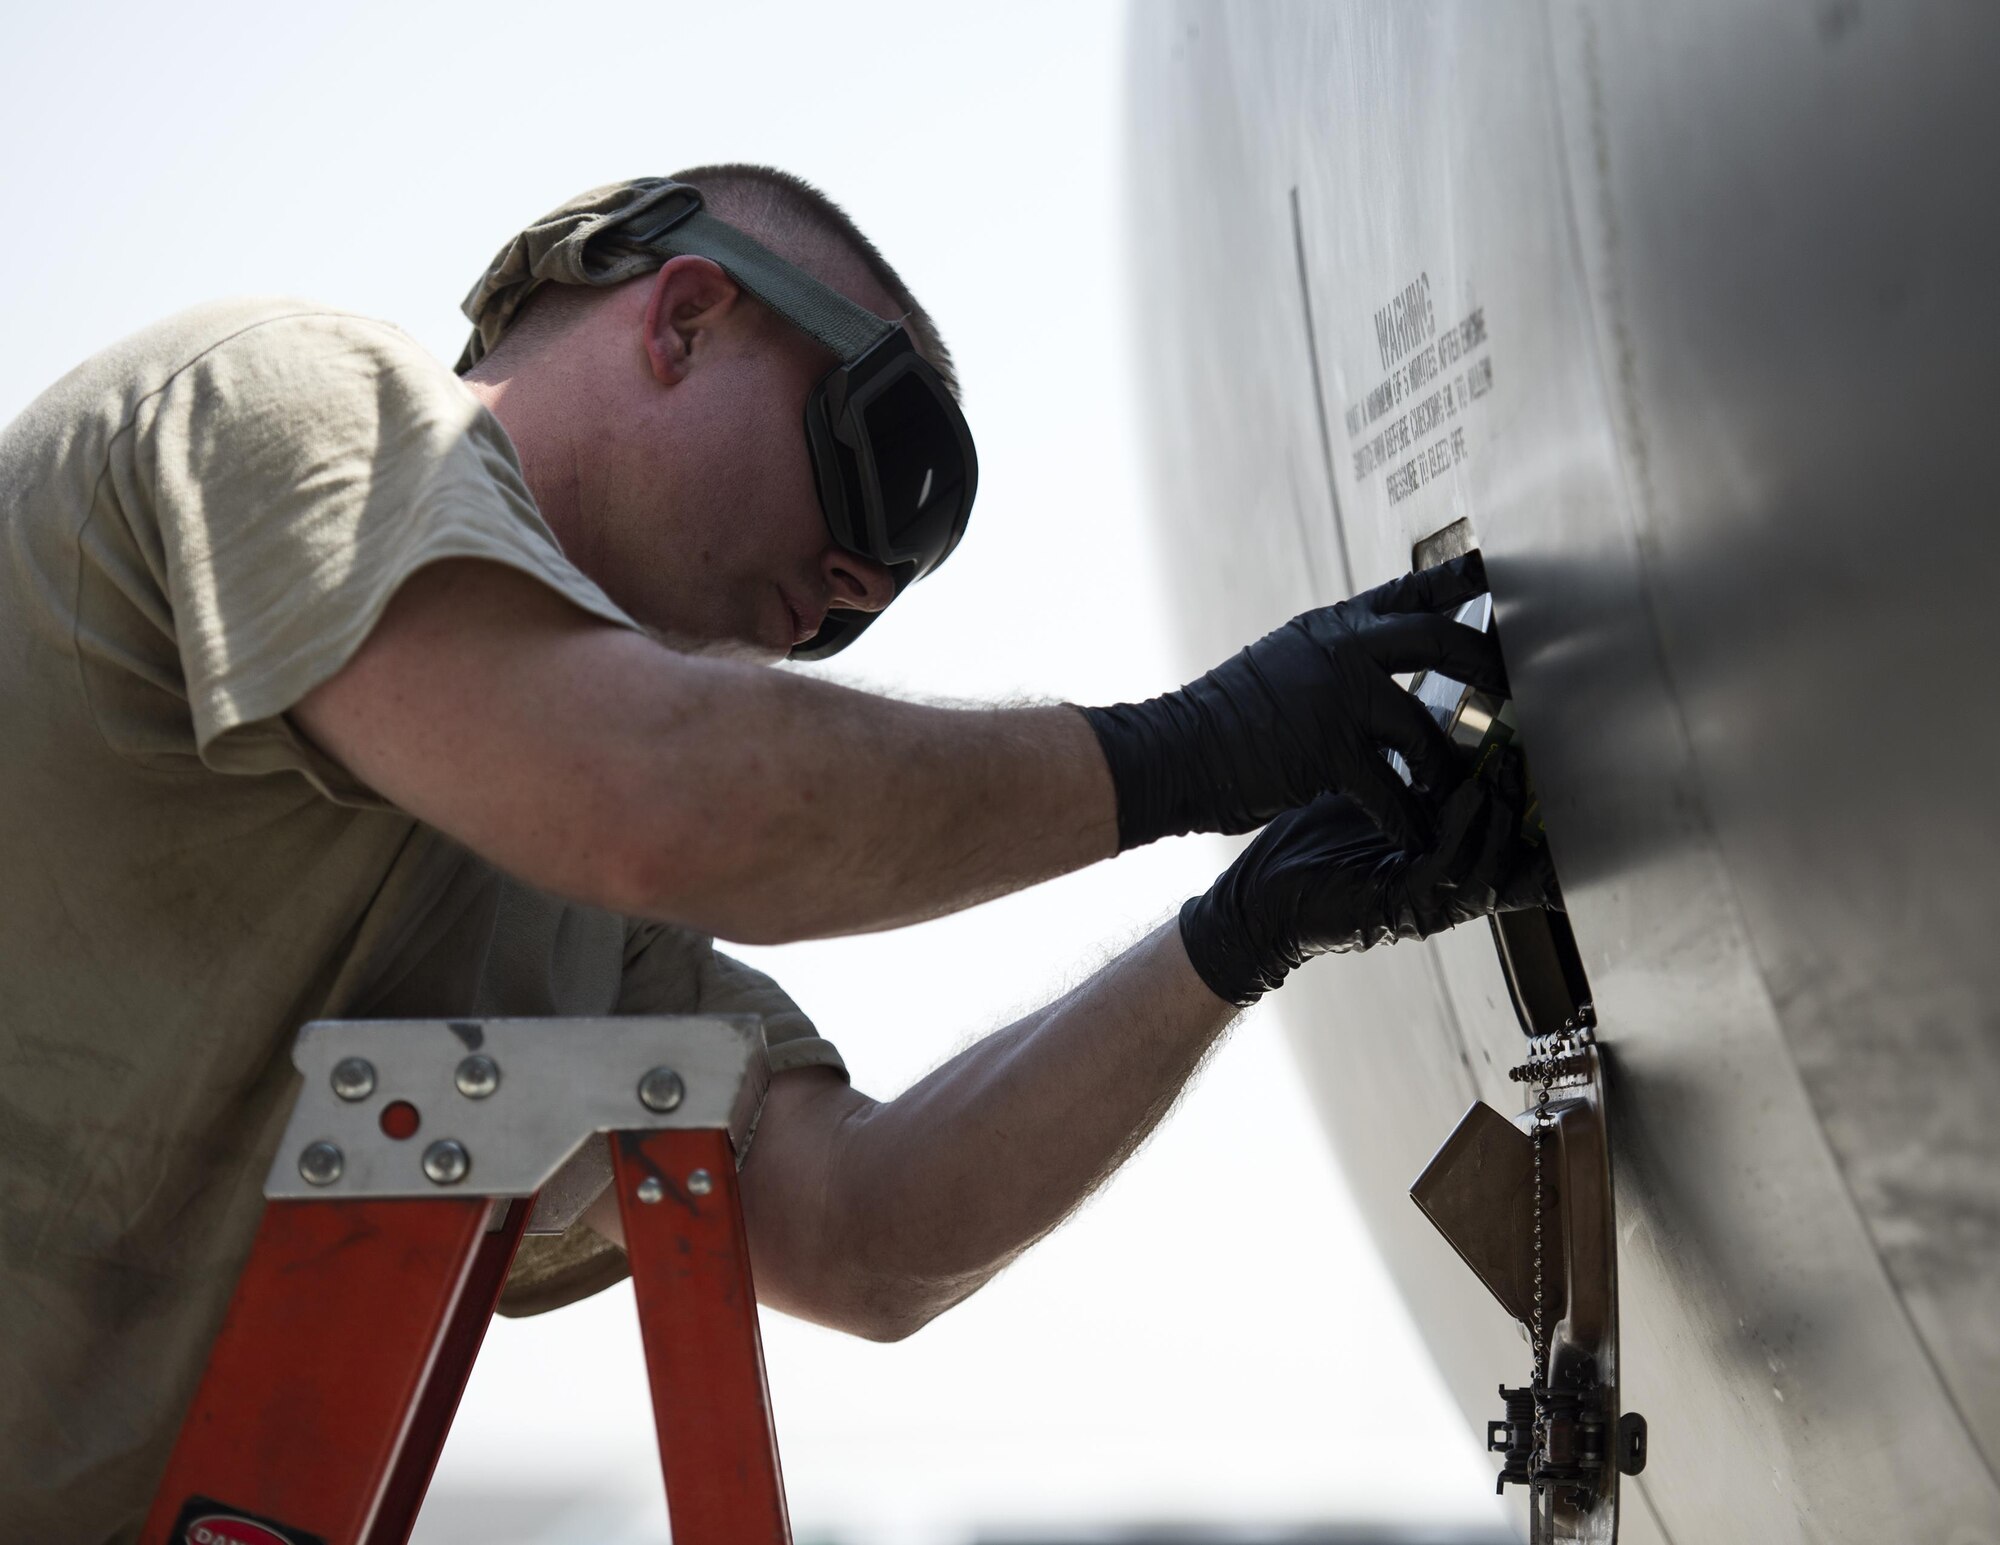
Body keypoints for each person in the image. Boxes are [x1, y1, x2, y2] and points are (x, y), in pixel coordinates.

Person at [0, 165, 1550, 1539]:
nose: (853, 581)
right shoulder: (286, 403)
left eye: (897, 581)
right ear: (683, 318)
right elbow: (662, 795)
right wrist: (1199, 746)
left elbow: (868, 1233)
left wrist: (1240, 929)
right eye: (873, 458)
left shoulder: (573, 919)